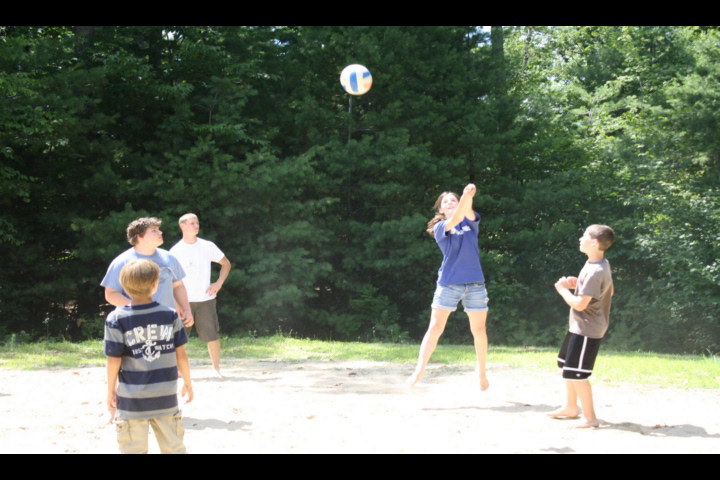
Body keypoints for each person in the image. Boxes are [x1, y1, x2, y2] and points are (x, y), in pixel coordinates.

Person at [105, 259, 193, 454]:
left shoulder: (116, 319)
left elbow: (113, 360)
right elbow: (181, 355)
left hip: (131, 401)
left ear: (124, 287)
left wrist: (110, 390)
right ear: (155, 285)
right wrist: (188, 383)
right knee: (174, 449)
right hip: (166, 398)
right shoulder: (170, 315)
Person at [408, 184, 490, 390]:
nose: (450, 203)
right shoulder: (440, 227)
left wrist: (468, 196)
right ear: (441, 209)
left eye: (454, 200)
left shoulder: (471, 221)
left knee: (479, 330)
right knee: (435, 327)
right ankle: (419, 369)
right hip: (449, 283)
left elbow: (466, 211)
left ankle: (481, 371)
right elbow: (456, 218)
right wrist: (465, 195)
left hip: (475, 284)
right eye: (446, 202)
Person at [548, 225, 615, 429]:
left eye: (584, 235)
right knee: (566, 366)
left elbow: (580, 304)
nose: (580, 238)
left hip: (587, 329)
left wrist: (562, 290)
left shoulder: (596, 270)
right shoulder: (599, 263)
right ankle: (570, 407)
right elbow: (608, 291)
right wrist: (579, 285)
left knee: (577, 374)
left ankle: (590, 418)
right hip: (579, 327)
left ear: (594, 242)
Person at [101, 217, 194, 328]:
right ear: (139, 236)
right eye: (154, 230)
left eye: (158, 229)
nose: (160, 232)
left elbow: (178, 286)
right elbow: (111, 294)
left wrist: (187, 310)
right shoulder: (122, 262)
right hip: (136, 324)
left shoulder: (169, 258)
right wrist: (140, 309)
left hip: (167, 321)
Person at [170, 213, 232, 378]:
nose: (196, 225)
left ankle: (216, 369)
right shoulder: (175, 251)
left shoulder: (207, 246)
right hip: (184, 301)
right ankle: (177, 371)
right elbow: (169, 280)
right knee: (179, 338)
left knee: (212, 335)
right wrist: (177, 304)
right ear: (182, 226)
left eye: (197, 223)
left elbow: (226, 263)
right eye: (192, 223)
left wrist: (218, 283)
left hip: (206, 300)